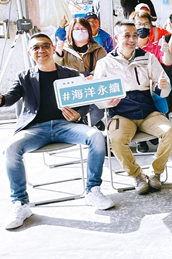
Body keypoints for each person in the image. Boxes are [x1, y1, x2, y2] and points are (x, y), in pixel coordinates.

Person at [2, 33, 114, 229]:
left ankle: (93, 189)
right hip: (35, 129)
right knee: (11, 148)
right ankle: (20, 203)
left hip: (66, 126)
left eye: (45, 46)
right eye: (36, 48)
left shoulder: (70, 74)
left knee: (96, 135)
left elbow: (86, 103)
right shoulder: (24, 77)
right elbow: (9, 99)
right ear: (30, 53)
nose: (41, 50)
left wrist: (78, 115)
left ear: (53, 49)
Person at [93, 21, 172, 195]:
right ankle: (137, 175)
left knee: (171, 131)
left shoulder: (148, 58)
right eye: (126, 35)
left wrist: (162, 86)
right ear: (116, 38)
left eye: (135, 35)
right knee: (115, 139)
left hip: (148, 112)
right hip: (121, 115)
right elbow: (97, 98)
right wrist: (108, 102)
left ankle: (156, 173)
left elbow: (162, 86)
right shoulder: (105, 63)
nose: (131, 39)